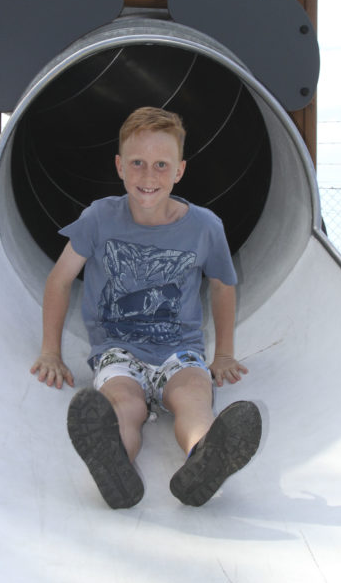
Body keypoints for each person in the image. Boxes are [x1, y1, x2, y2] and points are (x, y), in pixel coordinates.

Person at [30, 106, 262, 509]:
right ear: (119, 166)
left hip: (180, 350)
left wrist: (222, 353)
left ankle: (204, 458)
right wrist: (50, 350)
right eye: (137, 163)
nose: (148, 176)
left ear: (179, 171)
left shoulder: (204, 226)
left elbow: (223, 285)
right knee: (124, 402)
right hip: (117, 349)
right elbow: (61, 279)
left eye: (160, 165)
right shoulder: (100, 218)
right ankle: (115, 464)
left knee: (192, 396)